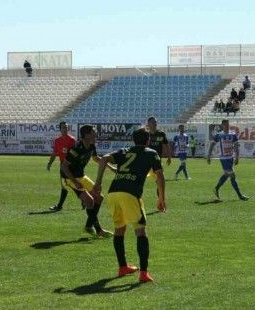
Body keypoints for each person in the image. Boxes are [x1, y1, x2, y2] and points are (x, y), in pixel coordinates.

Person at [93, 127, 166, 283]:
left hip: (113, 193)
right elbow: (160, 176)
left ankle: (122, 267)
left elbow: (104, 158)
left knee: (119, 229)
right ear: (148, 140)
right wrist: (161, 199)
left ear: (133, 140)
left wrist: (98, 183)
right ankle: (144, 273)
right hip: (130, 193)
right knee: (140, 231)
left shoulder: (125, 151)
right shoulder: (151, 153)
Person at [61, 124, 113, 237]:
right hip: (70, 178)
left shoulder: (91, 145)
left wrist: (111, 167)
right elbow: (64, 167)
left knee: (99, 197)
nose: (96, 133)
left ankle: (89, 226)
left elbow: (96, 158)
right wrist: (74, 182)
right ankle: (99, 230)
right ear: (87, 135)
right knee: (90, 201)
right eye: (94, 131)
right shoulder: (76, 148)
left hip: (81, 176)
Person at [207, 119, 249, 201]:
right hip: (223, 159)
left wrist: (237, 157)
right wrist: (209, 156)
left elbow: (236, 146)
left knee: (227, 175)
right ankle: (240, 196)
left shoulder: (232, 134)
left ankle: (216, 189)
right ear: (222, 125)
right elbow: (212, 144)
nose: (227, 126)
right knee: (232, 175)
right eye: (225, 124)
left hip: (230, 158)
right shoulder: (219, 135)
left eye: (228, 124)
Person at [46, 121, 76, 212]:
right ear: (60, 129)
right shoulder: (57, 140)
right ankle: (84, 199)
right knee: (65, 185)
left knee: (71, 184)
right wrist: (49, 163)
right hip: (62, 166)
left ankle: (85, 199)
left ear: (68, 129)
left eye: (66, 127)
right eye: (63, 127)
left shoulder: (72, 140)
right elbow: (55, 153)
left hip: (71, 165)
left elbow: (75, 154)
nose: (65, 129)